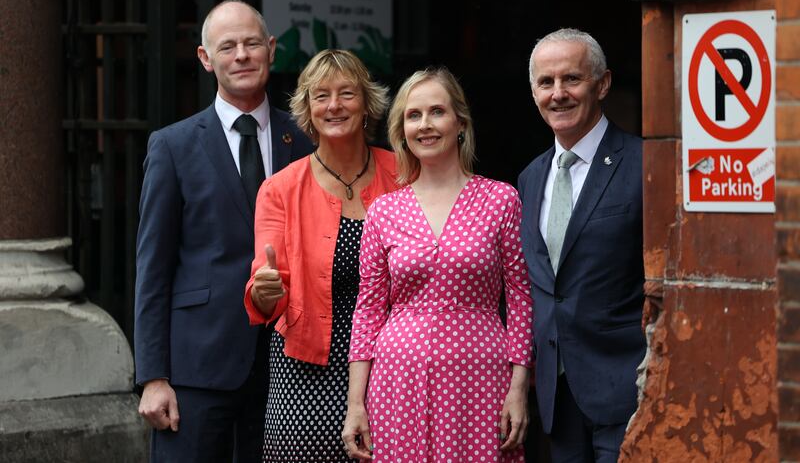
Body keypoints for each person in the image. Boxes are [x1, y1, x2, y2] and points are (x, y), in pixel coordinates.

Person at [134, 0, 313, 462]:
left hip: (287, 368)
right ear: (204, 58)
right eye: (227, 46)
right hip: (197, 368)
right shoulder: (172, 146)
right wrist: (153, 376)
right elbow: (152, 268)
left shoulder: (307, 141)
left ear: (271, 50)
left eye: (252, 43)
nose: (241, 56)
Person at [343, 67, 533, 462]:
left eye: (436, 112)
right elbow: (368, 310)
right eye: (413, 115)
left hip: (481, 377)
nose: (425, 125)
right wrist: (355, 403)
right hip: (398, 380)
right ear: (401, 130)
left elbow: (520, 299)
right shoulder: (383, 210)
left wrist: (519, 387)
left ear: (460, 123)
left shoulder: (501, 199)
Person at [244, 49, 398, 462]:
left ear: (367, 104)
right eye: (321, 96)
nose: (334, 105)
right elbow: (267, 297)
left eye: (347, 93)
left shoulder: (403, 174)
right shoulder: (279, 189)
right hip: (306, 373)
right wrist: (264, 290)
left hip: (391, 367)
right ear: (307, 111)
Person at [517, 28, 646, 462]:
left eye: (571, 79)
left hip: (625, 388)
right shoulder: (530, 178)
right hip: (556, 395)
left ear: (602, 83)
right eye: (545, 82)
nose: (558, 94)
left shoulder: (643, 164)